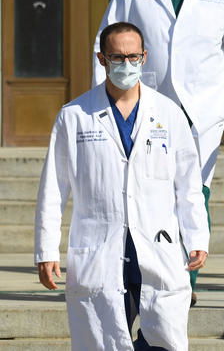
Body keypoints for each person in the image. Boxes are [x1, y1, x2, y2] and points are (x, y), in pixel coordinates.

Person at [91, 0, 224, 298]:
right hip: (150, 102)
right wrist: (102, 97)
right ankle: (154, 274)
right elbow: (108, 39)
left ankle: (186, 280)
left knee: (195, 191)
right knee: (154, 191)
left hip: (206, 107)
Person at [36, 22, 209, 350]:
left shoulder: (168, 113)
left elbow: (188, 184)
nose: (126, 65)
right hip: (100, 249)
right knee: (101, 339)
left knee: (164, 337)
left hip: (157, 245)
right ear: (102, 59)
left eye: (133, 57)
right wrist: (45, 250)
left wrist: (197, 236)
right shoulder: (74, 115)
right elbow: (53, 189)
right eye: (117, 58)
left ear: (145, 57)